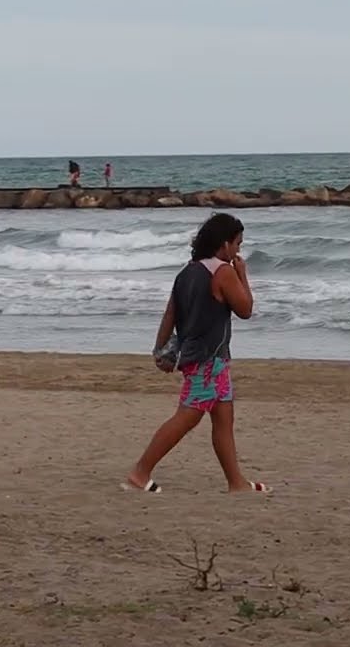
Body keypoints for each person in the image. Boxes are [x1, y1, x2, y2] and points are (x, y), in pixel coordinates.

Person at [124, 212, 271, 494]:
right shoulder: (224, 272)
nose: (239, 251)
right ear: (225, 244)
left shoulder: (188, 271)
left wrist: (160, 350)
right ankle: (140, 473)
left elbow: (170, 313)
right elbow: (246, 310)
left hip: (205, 357)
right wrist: (242, 276)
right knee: (187, 417)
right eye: (237, 244)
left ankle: (236, 482)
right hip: (208, 359)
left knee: (224, 419)